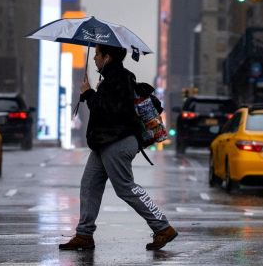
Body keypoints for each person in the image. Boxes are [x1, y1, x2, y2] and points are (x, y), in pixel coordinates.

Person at [59, 44, 177, 251]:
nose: (94, 58)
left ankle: (163, 227)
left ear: (108, 57)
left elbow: (110, 111)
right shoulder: (112, 78)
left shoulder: (119, 79)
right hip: (104, 142)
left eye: (97, 54)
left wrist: (88, 93)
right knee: (90, 185)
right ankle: (84, 234)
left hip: (117, 141)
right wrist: (92, 92)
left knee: (125, 187)